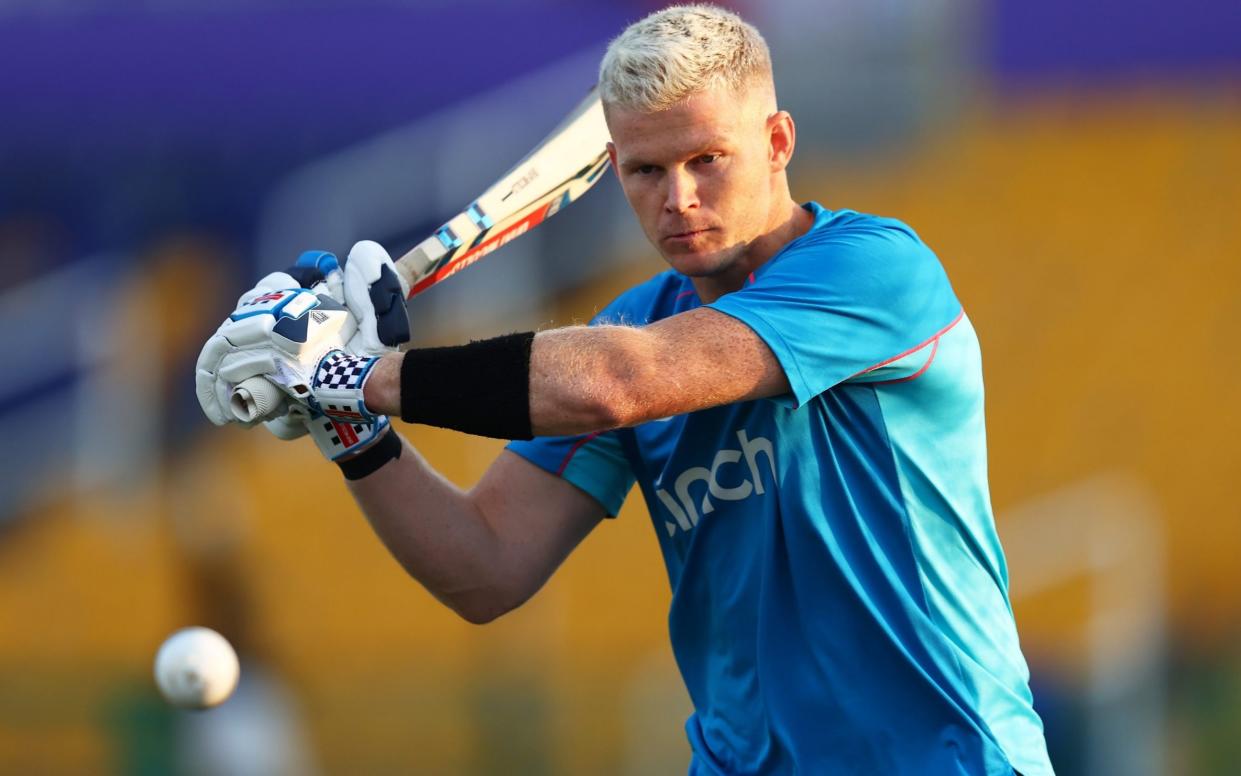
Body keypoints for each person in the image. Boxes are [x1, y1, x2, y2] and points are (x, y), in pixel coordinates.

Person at [196, 5, 1053, 774]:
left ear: (778, 141)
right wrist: (344, 421)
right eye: (645, 171)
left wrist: (351, 372)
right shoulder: (632, 322)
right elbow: (483, 567)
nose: (677, 199)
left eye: (706, 159)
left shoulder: (872, 272)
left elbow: (618, 383)